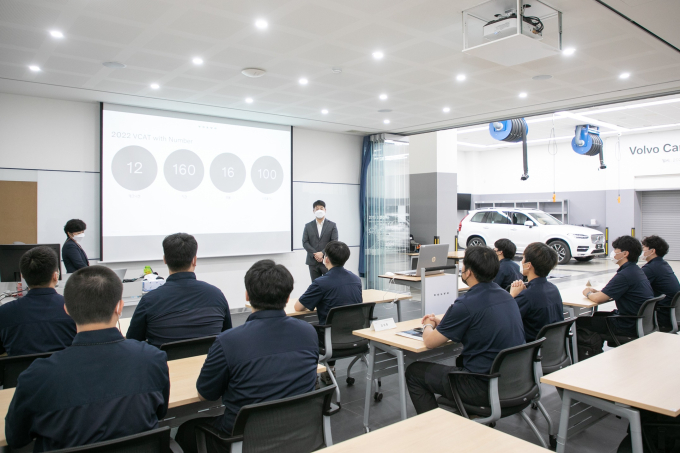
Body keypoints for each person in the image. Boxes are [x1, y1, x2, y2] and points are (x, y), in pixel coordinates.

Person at [5, 266, 169, 452]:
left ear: (67, 310)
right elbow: (160, 412)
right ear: (119, 307)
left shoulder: (37, 376)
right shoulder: (153, 359)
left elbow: (16, 438)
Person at [175, 260, 319, 453]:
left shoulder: (228, 341)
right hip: (298, 434)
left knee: (186, 430)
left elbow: (206, 394)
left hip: (241, 440)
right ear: (287, 297)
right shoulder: (308, 333)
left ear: (247, 296)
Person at [405, 246, 525, 415]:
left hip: (482, 386)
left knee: (414, 372)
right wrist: (446, 323)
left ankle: (433, 427)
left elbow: (430, 342)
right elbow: (482, 323)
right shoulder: (506, 296)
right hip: (516, 382)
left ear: (468, 272)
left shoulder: (466, 303)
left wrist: (428, 325)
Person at [126, 233, 232, 347]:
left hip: (164, 359)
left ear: (165, 260)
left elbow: (132, 343)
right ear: (194, 260)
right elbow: (227, 337)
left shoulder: (149, 301)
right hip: (209, 358)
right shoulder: (216, 295)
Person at [295, 240, 362, 383]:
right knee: (338, 322)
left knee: (304, 330)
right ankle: (329, 369)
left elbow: (298, 307)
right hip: (355, 336)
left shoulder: (321, 282)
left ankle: (311, 376)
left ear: (326, 259)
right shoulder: (356, 280)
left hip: (331, 338)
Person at [577, 235, 654, 351]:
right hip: (639, 321)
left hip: (627, 325)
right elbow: (612, 292)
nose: (613, 253)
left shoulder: (625, 274)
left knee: (580, 322)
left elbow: (598, 299)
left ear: (625, 253)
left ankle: (591, 354)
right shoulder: (635, 270)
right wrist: (600, 293)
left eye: (615, 250)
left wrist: (587, 293)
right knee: (597, 316)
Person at [0, 246, 76, 356]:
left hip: (23, 368)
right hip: (65, 367)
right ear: (55, 276)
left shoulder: (4, 313)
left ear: (22, 276)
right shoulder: (75, 309)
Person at [509, 242, 564, 342]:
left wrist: (512, 296)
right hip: (552, 346)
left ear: (528, 265)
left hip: (531, 346)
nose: (521, 261)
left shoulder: (527, 296)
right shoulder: (554, 289)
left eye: (523, 258)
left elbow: (505, 318)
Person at [641, 235, 680, 331]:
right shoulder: (663, 264)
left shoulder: (650, 268)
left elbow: (633, 285)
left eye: (644, 248)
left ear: (652, 251)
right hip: (671, 314)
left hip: (661, 316)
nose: (642, 250)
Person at [302, 200, 338, 282]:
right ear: (313, 211)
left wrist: (322, 253)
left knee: (329, 284)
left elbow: (334, 242)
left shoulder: (332, 225)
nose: (319, 210)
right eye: (317, 209)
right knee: (315, 285)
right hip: (312, 261)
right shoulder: (308, 226)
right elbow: (305, 242)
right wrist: (315, 254)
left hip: (327, 260)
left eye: (321, 208)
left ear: (325, 210)